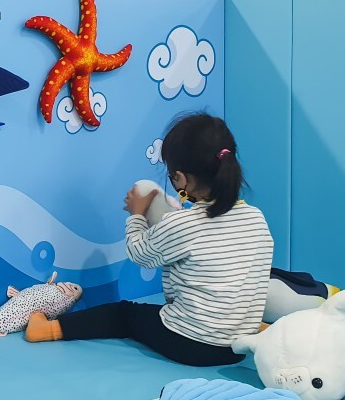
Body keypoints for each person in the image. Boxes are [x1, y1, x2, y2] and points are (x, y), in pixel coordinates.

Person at [25, 113, 273, 366]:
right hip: (239, 345)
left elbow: (139, 254)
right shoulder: (256, 218)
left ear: (181, 179)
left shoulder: (183, 224)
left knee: (124, 314)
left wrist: (137, 215)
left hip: (194, 345)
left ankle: (47, 329)